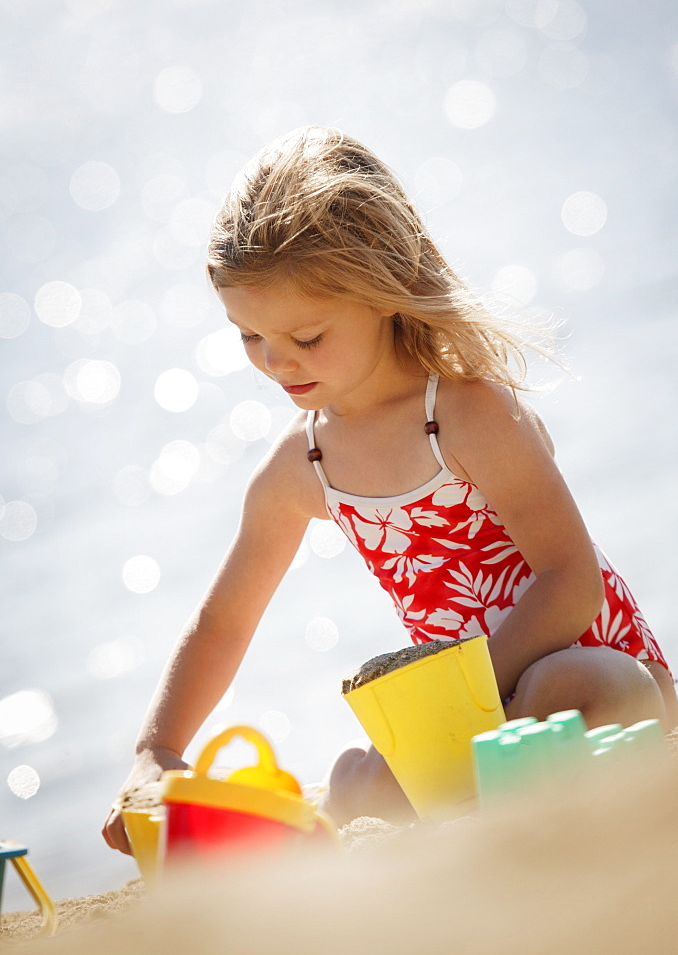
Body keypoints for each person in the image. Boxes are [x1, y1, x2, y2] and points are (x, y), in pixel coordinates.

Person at [102, 126, 677, 849]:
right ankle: (402, 792)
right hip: (460, 722)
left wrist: (471, 698)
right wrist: (154, 752)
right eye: (249, 337)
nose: (276, 362)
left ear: (383, 291)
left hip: (581, 670)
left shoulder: (466, 414)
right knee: (366, 791)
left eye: (307, 337)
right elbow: (225, 622)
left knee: (577, 690)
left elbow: (572, 581)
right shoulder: (301, 467)